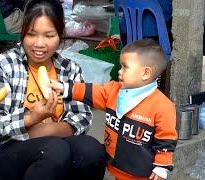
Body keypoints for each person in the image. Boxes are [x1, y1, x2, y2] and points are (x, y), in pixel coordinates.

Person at [0, 0, 106, 179]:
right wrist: (32, 118)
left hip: (55, 148)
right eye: (31, 34)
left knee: (92, 150)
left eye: (49, 35)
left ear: (61, 34)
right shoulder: (2, 65)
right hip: (4, 153)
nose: (39, 44)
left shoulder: (70, 69)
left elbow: (82, 118)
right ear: (22, 33)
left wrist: (49, 130)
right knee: (54, 149)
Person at [51, 38, 178, 180]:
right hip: (117, 166)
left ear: (146, 73)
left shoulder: (163, 106)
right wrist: (65, 87)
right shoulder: (113, 90)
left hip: (142, 174)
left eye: (125, 67)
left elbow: (166, 140)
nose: (119, 71)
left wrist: (162, 167)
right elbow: (91, 91)